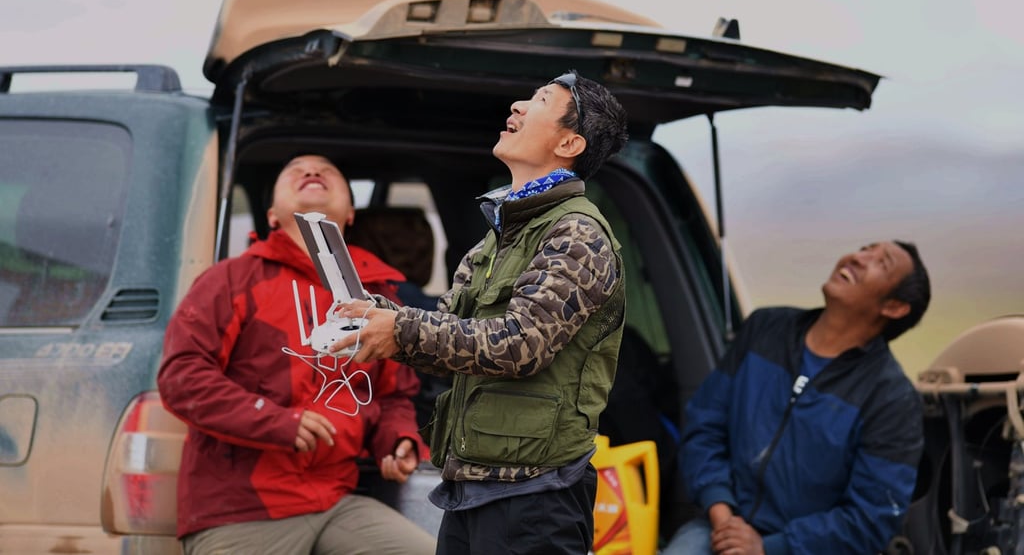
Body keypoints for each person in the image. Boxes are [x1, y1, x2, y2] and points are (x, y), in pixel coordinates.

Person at [331, 70, 629, 554]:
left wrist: (401, 328)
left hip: (535, 494)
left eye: (538, 100)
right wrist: (377, 315)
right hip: (472, 487)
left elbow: (520, 343)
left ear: (570, 142)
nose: (516, 106)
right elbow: (450, 334)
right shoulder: (500, 233)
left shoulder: (576, 234)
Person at [157, 154, 436, 555]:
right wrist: (276, 421)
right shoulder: (231, 279)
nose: (312, 172)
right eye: (295, 170)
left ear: (351, 212)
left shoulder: (378, 296)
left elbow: (393, 396)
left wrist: (397, 442)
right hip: (241, 509)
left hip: (335, 501)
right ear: (272, 215)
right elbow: (181, 377)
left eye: (327, 171)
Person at [665, 241, 931, 555]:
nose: (857, 258)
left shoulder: (891, 398)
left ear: (895, 307)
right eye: (864, 249)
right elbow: (704, 426)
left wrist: (769, 547)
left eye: (880, 262)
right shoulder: (764, 329)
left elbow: (871, 518)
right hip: (720, 526)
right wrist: (723, 517)